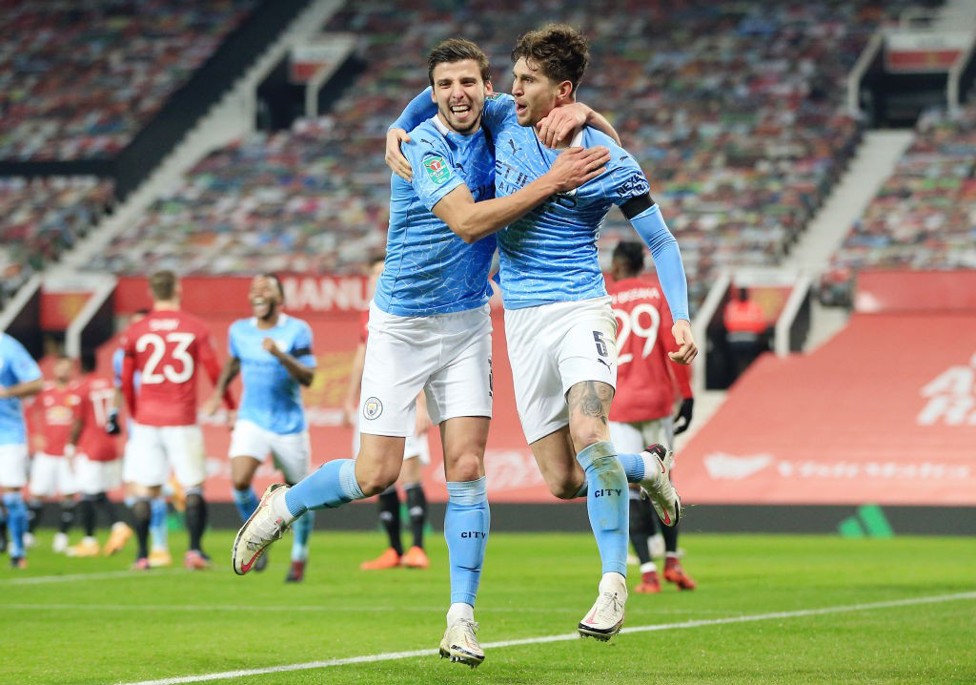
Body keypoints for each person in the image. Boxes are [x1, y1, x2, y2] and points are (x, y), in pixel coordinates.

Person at [231, 37, 610, 668]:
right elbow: (466, 222)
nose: (457, 95)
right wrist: (550, 181)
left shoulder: (497, 114)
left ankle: (461, 618)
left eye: (469, 82)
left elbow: (575, 122)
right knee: (375, 474)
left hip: (465, 323)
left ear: (488, 88)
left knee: (465, 468)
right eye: (443, 86)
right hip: (401, 327)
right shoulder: (422, 145)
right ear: (431, 93)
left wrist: (589, 115)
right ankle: (286, 502)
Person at [387, 24, 697, 641]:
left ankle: (613, 585)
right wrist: (397, 124)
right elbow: (443, 91)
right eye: (514, 77)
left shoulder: (606, 160)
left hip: (581, 308)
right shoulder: (503, 117)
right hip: (521, 321)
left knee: (589, 429)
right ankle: (646, 469)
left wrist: (681, 314)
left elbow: (658, 239)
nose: (512, 88)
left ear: (562, 90)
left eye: (527, 80)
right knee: (562, 480)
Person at [119, 270, 235, 570]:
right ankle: (194, 551)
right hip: (181, 419)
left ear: (151, 292)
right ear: (178, 290)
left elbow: (125, 379)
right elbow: (213, 370)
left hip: (146, 420)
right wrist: (229, 405)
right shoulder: (194, 327)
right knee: (193, 486)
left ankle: (142, 555)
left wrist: (135, 415)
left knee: (145, 489)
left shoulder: (136, 330)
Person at [205, 273, 317, 583]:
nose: (258, 291)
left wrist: (280, 355)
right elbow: (233, 362)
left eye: (266, 287)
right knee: (239, 481)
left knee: (300, 491)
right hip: (251, 418)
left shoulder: (297, 330)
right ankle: (256, 540)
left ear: (279, 298)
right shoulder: (239, 331)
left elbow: (309, 377)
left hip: (289, 424)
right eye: (254, 287)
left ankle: (299, 555)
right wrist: (217, 395)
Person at [606, 241, 697, 593]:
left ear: (617, 265)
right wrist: (686, 397)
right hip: (658, 401)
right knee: (664, 482)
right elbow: (675, 346)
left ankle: (647, 572)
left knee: (630, 488)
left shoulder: (604, 297)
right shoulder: (657, 294)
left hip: (620, 406)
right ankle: (672, 559)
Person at [345, 256, 432, 572]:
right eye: (373, 275)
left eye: (382, 274)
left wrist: (422, 406)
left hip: (406, 402)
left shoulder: (405, 310)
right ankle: (394, 550)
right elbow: (361, 356)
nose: (377, 280)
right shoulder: (367, 316)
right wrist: (347, 399)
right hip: (374, 404)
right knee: (377, 476)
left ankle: (418, 548)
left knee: (409, 474)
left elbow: (415, 360)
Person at [110, 309, 172, 566]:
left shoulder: (163, 354)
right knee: (134, 493)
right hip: (137, 432)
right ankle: (146, 541)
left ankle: (158, 547)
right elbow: (118, 386)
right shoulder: (120, 356)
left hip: (160, 429)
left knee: (150, 491)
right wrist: (113, 414)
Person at [65, 352, 131, 558]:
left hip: (90, 445)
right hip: (109, 445)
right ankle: (117, 527)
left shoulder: (81, 388)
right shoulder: (109, 384)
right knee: (98, 492)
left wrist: (70, 444)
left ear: (79, 366)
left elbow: (78, 421)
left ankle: (91, 540)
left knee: (86, 493)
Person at [25, 354, 80, 554]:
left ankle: (62, 536)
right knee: (37, 493)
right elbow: (30, 413)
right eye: (60, 368)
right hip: (47, 453)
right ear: (54, 369)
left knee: (69, 494)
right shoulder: (45, 391)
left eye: (67, 368)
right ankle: (28, 534)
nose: (63, 372)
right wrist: (35, 434)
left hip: (67, 454)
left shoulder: (76, 393)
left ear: (71, 370)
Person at [0, 332, 44, 568]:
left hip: (8, 434)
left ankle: (18, 551)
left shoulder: (8, 347)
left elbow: (36, 382)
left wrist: (7, 392)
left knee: (11, 496)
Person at [722, 286, 768, 382]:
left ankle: (747, 378)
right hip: (735, 340)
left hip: (749, 339)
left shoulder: (753, 306)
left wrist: (741, 326)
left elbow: (761, 325)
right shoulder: (732, 306)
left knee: (749, 361)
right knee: (735, 362)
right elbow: (727, 324)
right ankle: (739, 379)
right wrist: (746, 326)